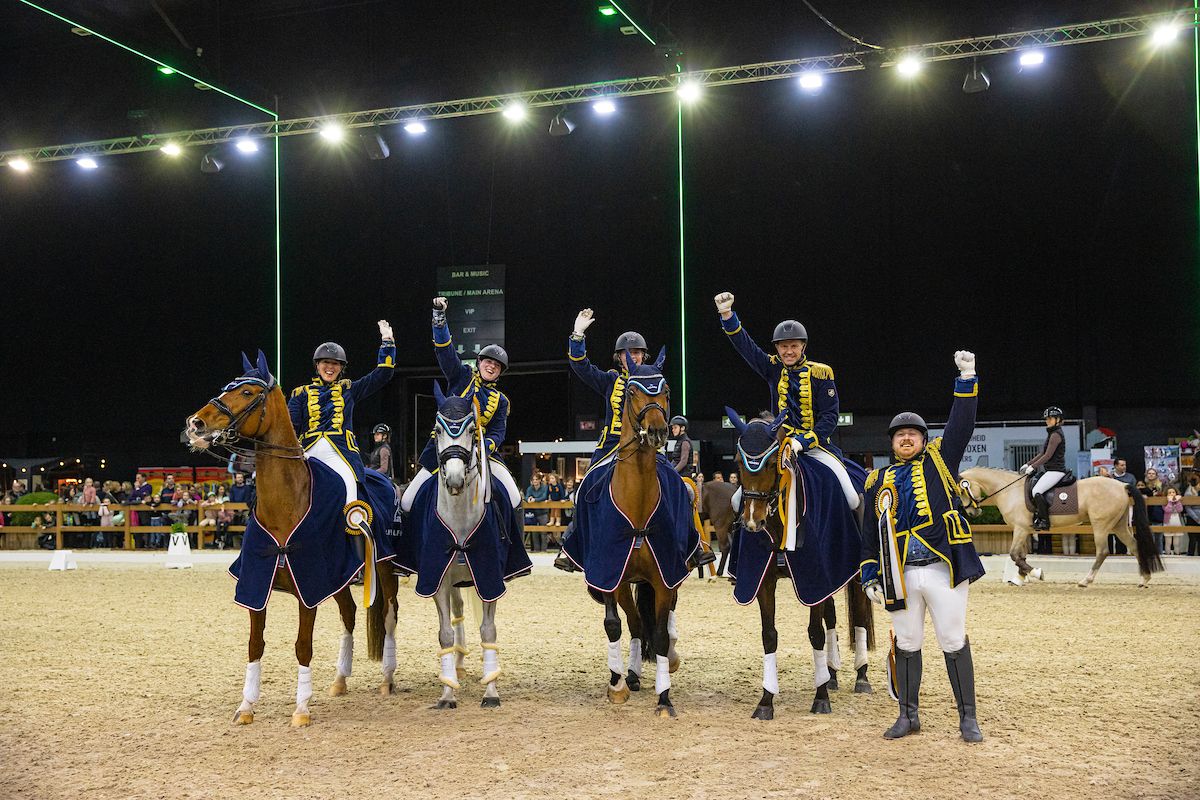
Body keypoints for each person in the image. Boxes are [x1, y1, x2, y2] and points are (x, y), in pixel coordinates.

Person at [860, 351, 984, 743]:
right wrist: (869, 575)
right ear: (892, 443)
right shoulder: (876, 481)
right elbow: (868, 536)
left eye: (913, 433)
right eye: (900, 434)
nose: (907, 438)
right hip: (900, 575)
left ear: (924, 440)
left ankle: (968, 718)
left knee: (953, 639)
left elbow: (962, 424)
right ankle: (908, 716)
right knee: (908, 643)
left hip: (942, 567)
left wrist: (967, 378)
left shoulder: (940, 462)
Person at [400, 298, 520, 511]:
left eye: (497, 365)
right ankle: (404, 533)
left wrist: (483, 448)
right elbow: (445, 352)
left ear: (500, 372)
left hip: (481, 454)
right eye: (488, 361)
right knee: (408, 500)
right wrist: (439, 318)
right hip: (446, 447)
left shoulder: (501, 401)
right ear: (479, 362)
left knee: (513, 496)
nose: (491, 366)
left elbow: (498, 432)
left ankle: (514, 534)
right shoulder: (461, 376)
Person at [287, 320, 396, 513]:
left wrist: (387, 343)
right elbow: (291, 428)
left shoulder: (349, 389)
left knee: (349, 487)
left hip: (339, 453)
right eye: (326, 362)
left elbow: (382, 375)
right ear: (317, 365)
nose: (330, 367)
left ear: (341, 368)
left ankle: (355, 529)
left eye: (335, 364)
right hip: (307, 452)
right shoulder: (300, 394)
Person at [1021, 406, 1068, 532]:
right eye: (1046, 418)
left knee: (1037, 491)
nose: (1047, 421)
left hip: (1056, 471)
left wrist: (1033, 467)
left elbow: (1048, 455)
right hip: (1050, 470)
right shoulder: (1052, 433)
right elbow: (1042, 453)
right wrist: (1028, 464)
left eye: (1050, 418)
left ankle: (1044, 521)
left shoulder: (1056, 435)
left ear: (1058, 420)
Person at [1141, 468, 1166, 554]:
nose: (1151, 475)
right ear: (1146, 475)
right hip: (1146, 512)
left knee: (1158, 536)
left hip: (1157, 511)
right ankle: (1150, 554)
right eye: (1149, 473)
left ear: (1156, 475)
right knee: (1149, 536)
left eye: (1153, 473)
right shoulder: (1143, 485)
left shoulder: (1161, 485)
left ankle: (1159, 554)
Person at [525, 473, 549, 551]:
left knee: (543, 532)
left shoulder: (544, 487)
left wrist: (535, 499)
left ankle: (544, 550)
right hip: (533, 512)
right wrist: (528, 499)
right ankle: (536, 549)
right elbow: (526, 496)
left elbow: (544, 497)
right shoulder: (530, 488)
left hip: (543, 512)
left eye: (536, 479)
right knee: (534, 532)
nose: (535, 481)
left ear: (539, 480)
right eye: (533, 480)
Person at [1162, 487, 1184, 555]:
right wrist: (1169, 501)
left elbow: (1180, 509)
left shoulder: (1178, 501)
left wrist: (1177, 501)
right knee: (1168, 542)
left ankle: (1177, 554)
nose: (1172, 494)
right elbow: (1167, 510)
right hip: (1168, 523)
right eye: (1170, 493)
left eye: (1173, 492)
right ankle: (1168, 554)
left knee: (1176, 542)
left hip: (1177, 523)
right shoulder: (1165, 502)